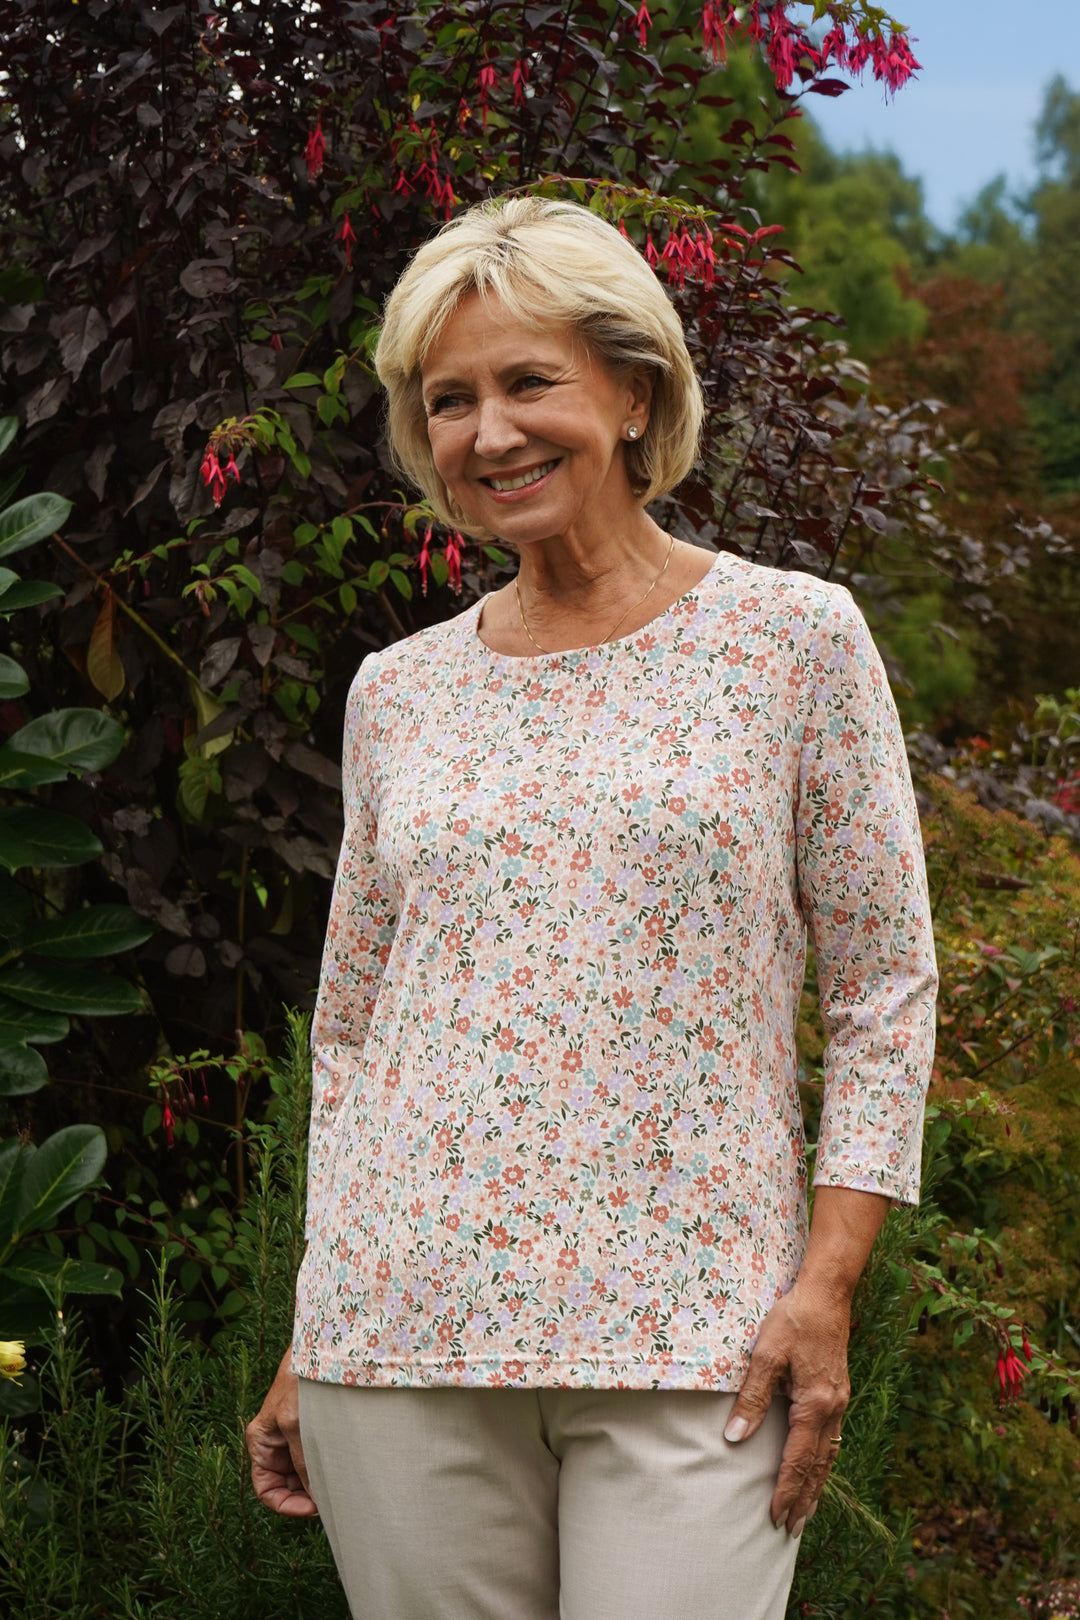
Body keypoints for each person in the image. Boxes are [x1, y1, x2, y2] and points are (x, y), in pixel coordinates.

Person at [245, 195, 937, 1620]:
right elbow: (356, 1032)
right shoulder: (398, 694)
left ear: (634, 393)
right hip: (401, 1338)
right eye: (449, 401)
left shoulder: (793, 641)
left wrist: (827, 1287)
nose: (489, 433)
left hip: (700, 1340)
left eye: (528, 382)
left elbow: (884, 987)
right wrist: (318, 1321)